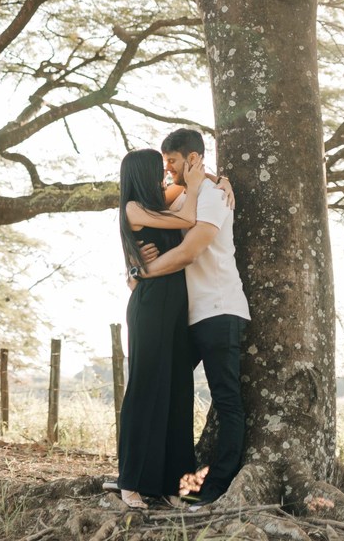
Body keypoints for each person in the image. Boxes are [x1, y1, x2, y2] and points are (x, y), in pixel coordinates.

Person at [139, 128, 251, 509]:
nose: (167, 169)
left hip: (220, 310)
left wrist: (144, 272)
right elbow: (150, 205)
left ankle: (216, 487)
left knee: (227, 400)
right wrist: (216, 175)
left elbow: (190, 251)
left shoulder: (215, 197)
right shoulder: (185, 196)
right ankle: (158, 477)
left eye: (172, 161)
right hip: (189, 317)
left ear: (191, 159)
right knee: (165, 388)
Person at [113, 148, 204, 509]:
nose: (164, 174)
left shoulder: (160, 206)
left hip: (176, 305)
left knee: (178, 392)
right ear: (142, 174)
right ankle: (131, 482)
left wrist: (219, 181)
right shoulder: (133, 209)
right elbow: (189, 218)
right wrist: (192, 188)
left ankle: (176, 487)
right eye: (158, 168)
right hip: (150, 306)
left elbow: (192, 188)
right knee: (145, 390)